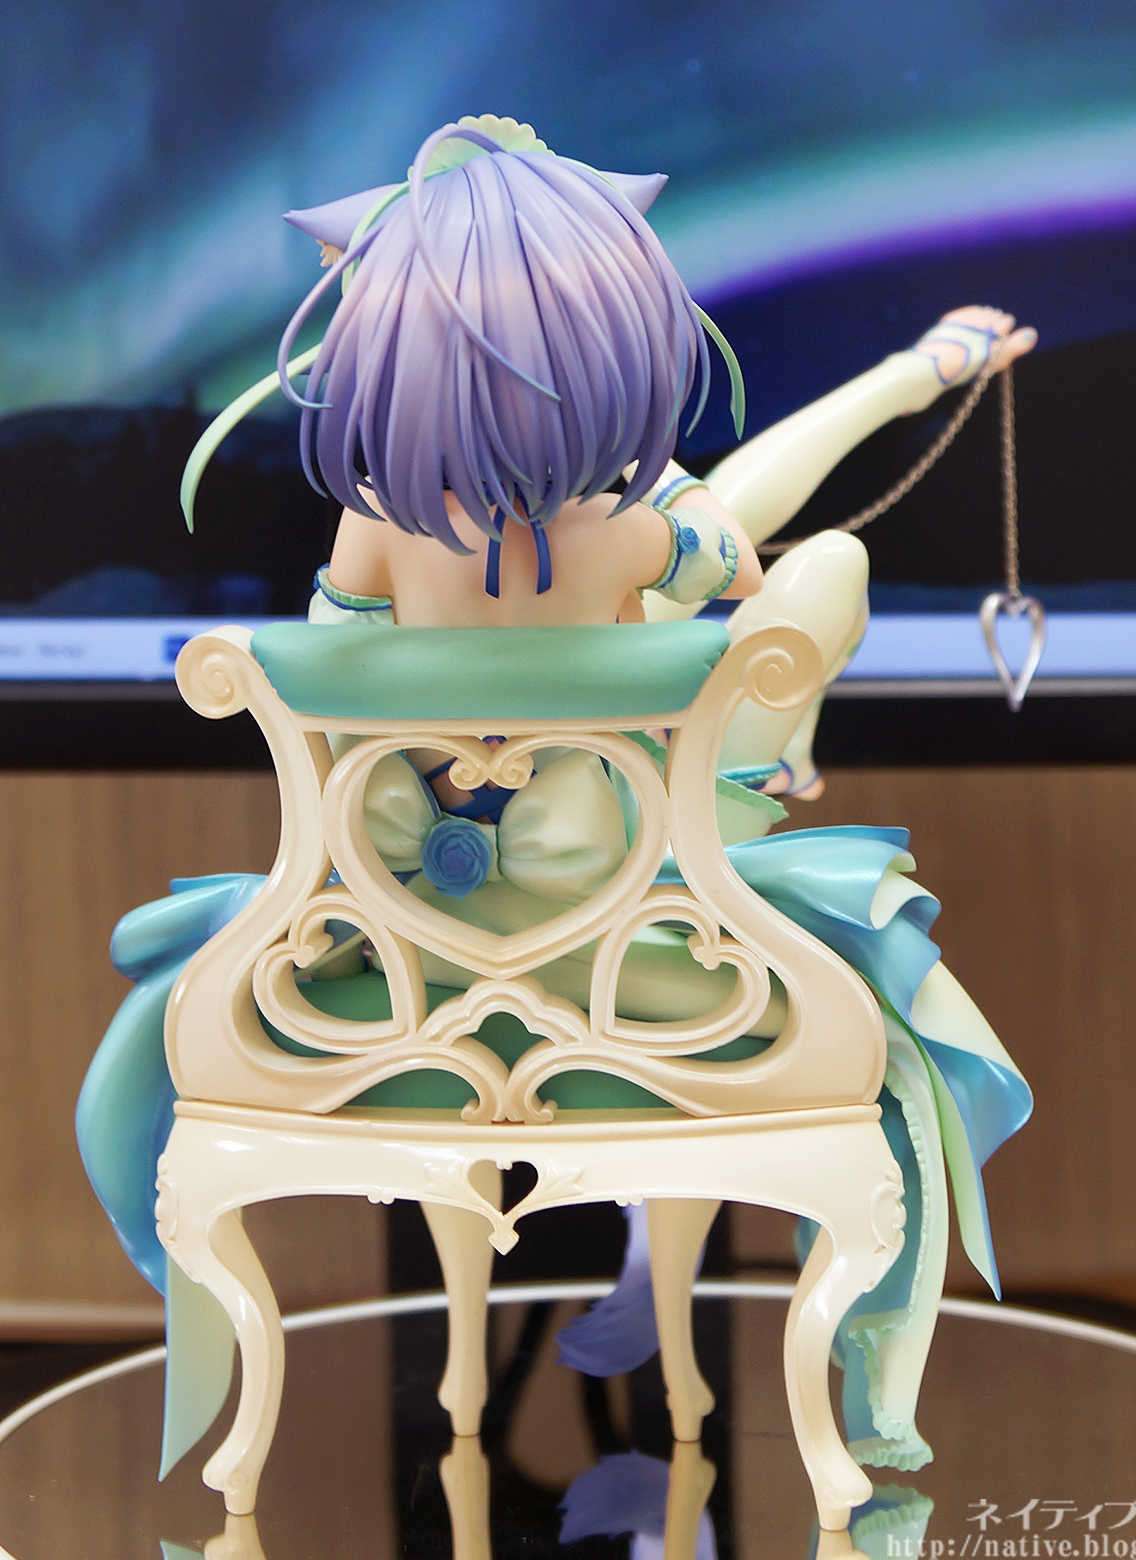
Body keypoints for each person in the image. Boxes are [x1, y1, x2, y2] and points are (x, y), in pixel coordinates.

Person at [82, 115, 1033, 1477]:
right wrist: (665, 483)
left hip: (415, 946)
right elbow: (740, 548)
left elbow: (342, 651)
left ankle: (905, 382)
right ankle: (806, 696)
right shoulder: (633, 532)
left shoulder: (375, 529)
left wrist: (469, 715)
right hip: (640, 939)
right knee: (825, 566)